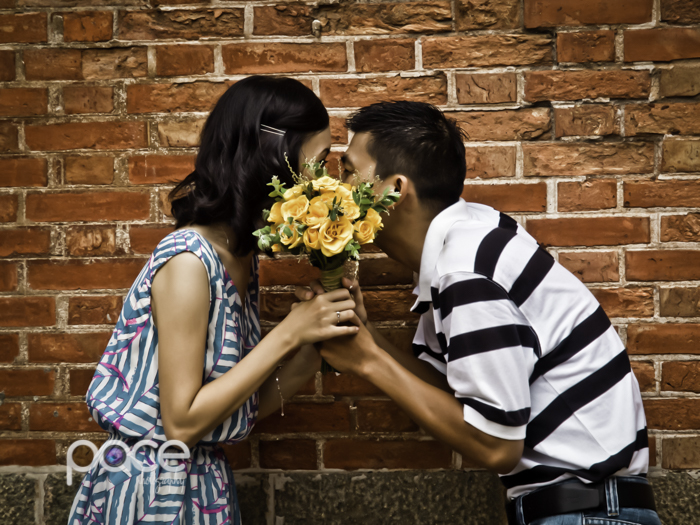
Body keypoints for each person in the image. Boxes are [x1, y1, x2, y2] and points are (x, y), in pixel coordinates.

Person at [297, 101, 661, 525]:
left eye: (348, 173)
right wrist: (367, 336)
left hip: (587, 514)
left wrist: (367, 361)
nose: (337, 189)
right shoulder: (471, 238)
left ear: (395, 189)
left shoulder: (466, 273)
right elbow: (462, 398)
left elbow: (496, 445)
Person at [68, 76, 360, 525]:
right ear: (273, 157)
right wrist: (288, 333)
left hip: (204, 485)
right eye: (317, 162)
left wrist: (312, 345)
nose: (322, 181)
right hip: (151, 490)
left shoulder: (241, 258)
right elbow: (182, 423)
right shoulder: (190, 262)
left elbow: (236, 409)